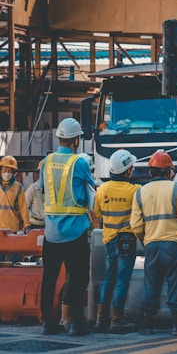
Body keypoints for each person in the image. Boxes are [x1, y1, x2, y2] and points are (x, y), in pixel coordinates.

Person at [130, 150, 177, 336]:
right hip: (174, 246)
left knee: (151, 285)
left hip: (153, 246)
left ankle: (147, 324)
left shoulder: (140, 192)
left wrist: (146, 242)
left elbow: (136, 225)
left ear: (150, 172)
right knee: (175, 284)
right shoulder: (176, 188)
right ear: (169, 171)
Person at [39, 117, 97, 336]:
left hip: (51, 232)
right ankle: (75, 322)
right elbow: (92, 189)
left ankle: (47, 322)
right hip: (75, 232)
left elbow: (43, 188)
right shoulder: (79, 163)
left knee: (49, 278)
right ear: (75, 140)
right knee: (79, 277)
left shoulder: (46, 162)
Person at [93, 149, 141, 334]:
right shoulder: (135, 190)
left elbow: (95, 214)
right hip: (127, 240)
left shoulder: (102, 189)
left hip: (109, 240)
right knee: (122, 281)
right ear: (128, 171)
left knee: (108, 279)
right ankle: (116, 319)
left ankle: (100, 319)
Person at [0, 155, 31, 234]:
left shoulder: (18, 187)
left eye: (10, 171)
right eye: (5, 170)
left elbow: (23, 208)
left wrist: (27, 224)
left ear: (14, 172)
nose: (7, 173)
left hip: (13, 228)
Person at [25, 160, 45, 228]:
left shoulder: (54, 189)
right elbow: (25, 208)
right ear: (38, 173)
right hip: (34, 225)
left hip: (49, 226)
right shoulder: (32, 189)